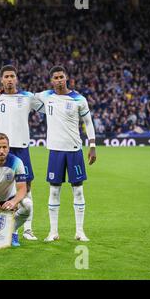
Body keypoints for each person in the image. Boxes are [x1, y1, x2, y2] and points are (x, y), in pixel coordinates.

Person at [34, 66, 96, 242]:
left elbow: (88, 123)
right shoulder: (46, 96)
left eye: (61, 76)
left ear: (66, 77)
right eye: (56, 77)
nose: (59, 80)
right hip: (55, 151)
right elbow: (25, 97)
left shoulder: (79, 99)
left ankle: (80, 231)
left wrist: (92, 146)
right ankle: (53, 232)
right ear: (51, 80)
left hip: (75, 150)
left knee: (78, 191)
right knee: (54, 191)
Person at [0, 65, 43, 241]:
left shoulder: (27, 97)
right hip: (3, 148)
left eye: (12, 76)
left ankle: (27, 229)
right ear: (2, 80)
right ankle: (8, 229)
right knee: (3, 187)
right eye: (6, 76)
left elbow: (45, 107)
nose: (10, 79)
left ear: (16, 79)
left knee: (27, 187)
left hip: (21, 147)